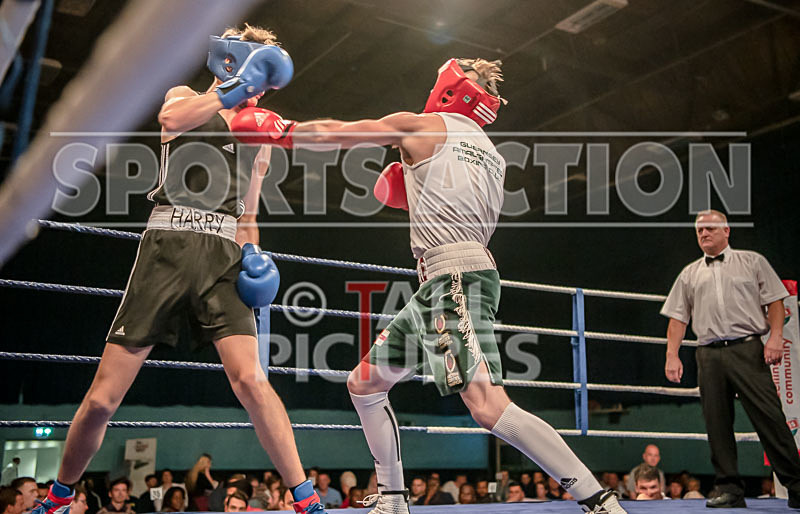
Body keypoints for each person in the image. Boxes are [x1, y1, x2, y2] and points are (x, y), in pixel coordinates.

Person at [232, 56, 626, 514]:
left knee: (487, 405)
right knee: (364, 384)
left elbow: (342, 134)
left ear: (450, 90)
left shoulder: (421, 125)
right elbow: (446, 203)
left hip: (453, 279)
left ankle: (598, 499)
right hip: (451, 277)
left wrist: (283, 131)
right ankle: (393, 499)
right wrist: (412, 187)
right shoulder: (492, 156)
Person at [31, 24, 326, 514]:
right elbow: (172, 117)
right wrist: (235, 90)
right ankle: (60, 496)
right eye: (256, 69)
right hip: (165, 250)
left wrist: (255, 255)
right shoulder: (185, 98)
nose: (260, 86)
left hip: (223, 258)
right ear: (234, 62)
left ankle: (306, 499)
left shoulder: (259, 135)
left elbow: (248, 216)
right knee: (103, 399)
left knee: (252, 382)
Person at [662, 209, 800, 509]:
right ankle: (730, 490)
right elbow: (677, 318)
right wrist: (672, 355)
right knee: (717, 423)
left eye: (710, 228)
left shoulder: (752, 261)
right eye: (699, 230)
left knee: (770, 418)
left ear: (726, 231)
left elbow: (775, 302)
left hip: (747, 349)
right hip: (708, 354)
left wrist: (776, 337)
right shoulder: (689, 273)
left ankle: (797, 485)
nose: (704, 234)